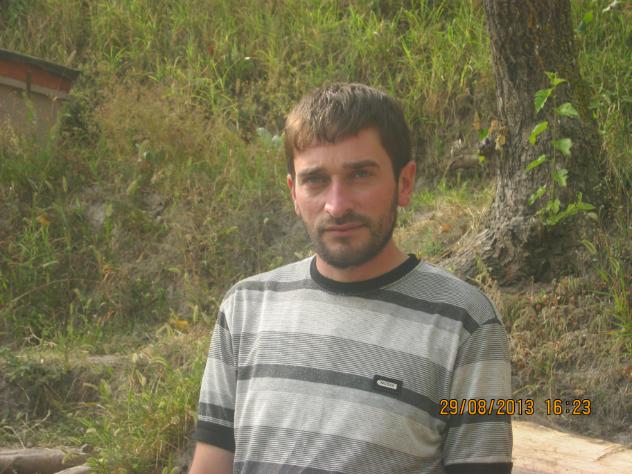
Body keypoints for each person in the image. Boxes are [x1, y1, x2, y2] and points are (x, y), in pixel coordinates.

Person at [189, 83, 513, 474]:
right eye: (315, 180)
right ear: (294, 193)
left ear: (404, 183)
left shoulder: (465, 324)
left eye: (360, 174)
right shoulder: (244, 309)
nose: (337, 205)